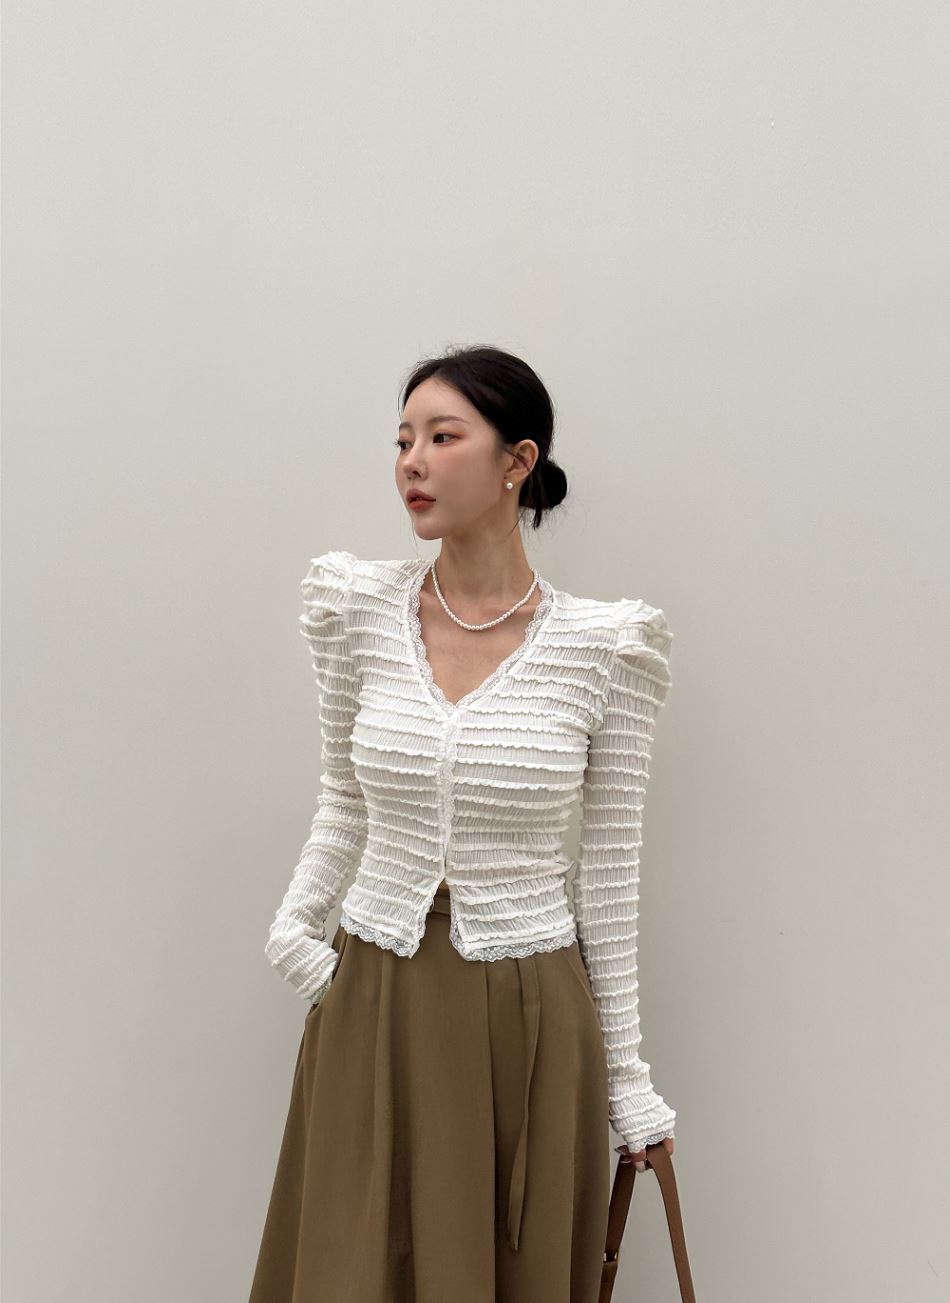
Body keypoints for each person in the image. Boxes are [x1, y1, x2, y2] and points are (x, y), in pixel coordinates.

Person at [249, 344, 677, 1303]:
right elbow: (343, 799)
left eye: (443, 437)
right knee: (355, 1270)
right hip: (375, 997)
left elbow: (608, 879)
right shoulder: (358, 611)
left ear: (517, 461)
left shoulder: (605, 649)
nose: (412, 460)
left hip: (529, 1016)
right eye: (403, 439)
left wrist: (628, 1079)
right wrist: (296, 937)